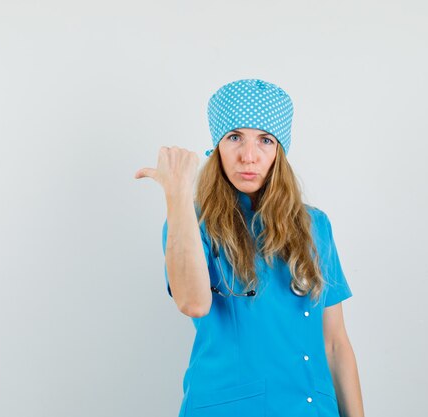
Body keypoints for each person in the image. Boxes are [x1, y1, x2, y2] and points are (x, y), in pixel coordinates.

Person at [134, 79, 364, 417]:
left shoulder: (314, 225)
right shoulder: (192, 222)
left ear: (279, 151)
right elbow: (193, 303)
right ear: (217, 147)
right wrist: (178, 194)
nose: (248, 156)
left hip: (310, 408)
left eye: (265, 140)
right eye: (234, 137)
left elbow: (334, 343)